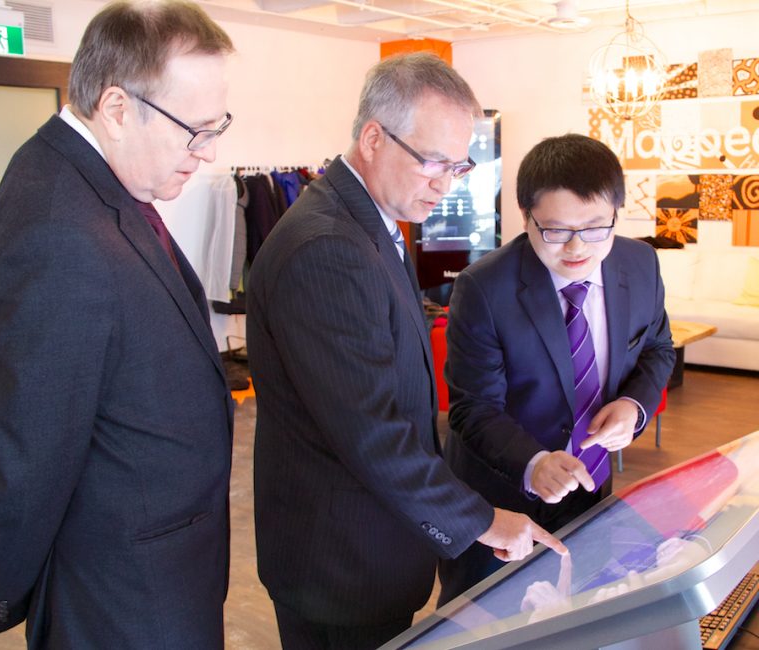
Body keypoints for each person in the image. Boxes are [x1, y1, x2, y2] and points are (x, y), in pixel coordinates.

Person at [246, 52, 566, 650]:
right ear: (373, 137)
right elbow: (374, 432)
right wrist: (482, 519)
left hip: (371, 543)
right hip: (338, 559)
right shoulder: (327, 247)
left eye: (459, 165)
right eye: (432, 163)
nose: (445, 184)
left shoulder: (368, 224)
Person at [0, 2, 235, 647]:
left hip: (156, 572)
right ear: (118, 108)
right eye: (195, 130)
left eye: (218, 128)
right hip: (118, 600)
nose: (207, 153)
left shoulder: (95, 183)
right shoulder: (57, 228)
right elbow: (28, 450)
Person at [438, 133, 676, 605]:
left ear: (616, 213)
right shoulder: (484, 288)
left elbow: (658, 348)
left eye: (594, 227)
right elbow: (473, 408)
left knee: (582, 610)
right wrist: (534, 462)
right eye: (556, 230)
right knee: (486, 624)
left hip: (591, 488)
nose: (577, 247)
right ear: (525, 217)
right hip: (501, 498)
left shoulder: (640, 263)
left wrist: (633, 405)